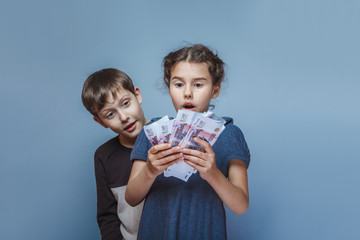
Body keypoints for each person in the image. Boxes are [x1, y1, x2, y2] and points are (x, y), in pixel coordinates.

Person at [125, 44, 251, 239]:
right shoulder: (152, 133)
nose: (188, 93)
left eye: (198, 84)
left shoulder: (229, 134)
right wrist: (150, 171)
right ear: (169, 88)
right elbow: (131, 198)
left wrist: (213, 174)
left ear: (215, 89)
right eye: (179, 84)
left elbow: (241, 205)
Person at [81, 68, 148, 240]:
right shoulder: (104, 156)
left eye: (126, 103)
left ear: (137, 95)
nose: (124, 117)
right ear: (100, 121)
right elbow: (107, 216)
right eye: (110, 114)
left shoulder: (171, 133)